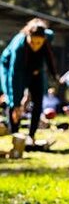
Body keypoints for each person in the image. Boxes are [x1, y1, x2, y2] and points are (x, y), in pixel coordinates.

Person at [0, 18, 58, 146]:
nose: (35, 46)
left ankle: (31, 135)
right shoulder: (19, 47)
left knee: (38, 99)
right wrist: (16, 104)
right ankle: (15, 136)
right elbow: (14, 78)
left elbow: (48, 54)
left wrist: (54, 74)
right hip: (11, 67)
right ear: (28, 36)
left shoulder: (47, 36)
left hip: (34, 69)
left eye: (39, 43)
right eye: (33, 42)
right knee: (13, 98)